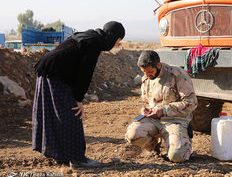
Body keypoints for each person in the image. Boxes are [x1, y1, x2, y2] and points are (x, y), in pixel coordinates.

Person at [32, 21, 125, 168]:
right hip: (55, 75)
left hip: (47, 72)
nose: (116, 45)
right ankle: (77, 159)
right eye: (118, 41)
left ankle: (60, 155)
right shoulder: (94, 42)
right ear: (113, 37)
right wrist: (78, 99)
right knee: (72, 115)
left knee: (56, 115)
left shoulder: (89, 35)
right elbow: (85, 72)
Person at [125, 50, 198, 162]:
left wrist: (164, 110)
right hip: (154, 119)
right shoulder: (147, 78)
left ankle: (183, 146)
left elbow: (191, 102)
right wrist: (145, 109)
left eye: (150, 71)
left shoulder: (177, 74)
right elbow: (146, 101)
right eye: (144, 72)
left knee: (177, 156)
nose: (147, 75)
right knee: (132, 134)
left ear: (159, 65)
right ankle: (155, 148)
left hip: (175, 120)